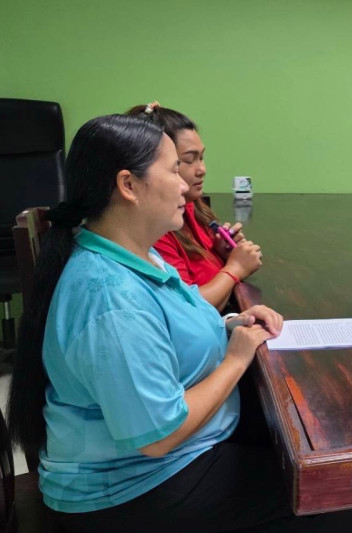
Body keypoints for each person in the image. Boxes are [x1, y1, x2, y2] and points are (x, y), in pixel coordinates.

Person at [7, 114, 290, 532]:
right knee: (326, 498)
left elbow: (176, 317)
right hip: (131, 489)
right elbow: (159, 437)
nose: (184, 185)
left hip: (175, 453)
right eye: (175, 169)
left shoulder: (134, 252)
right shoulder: (112, 301)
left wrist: (231, 324)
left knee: (289, 435)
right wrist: (235, 359)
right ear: (128, 185)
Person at [126, 102, 262, 311]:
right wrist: (235, 268)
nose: (202, 169)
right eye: (188, 160)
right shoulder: (155, 227)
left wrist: (221, 253)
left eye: (202, 157)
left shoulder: (191, 205)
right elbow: (186, 310)